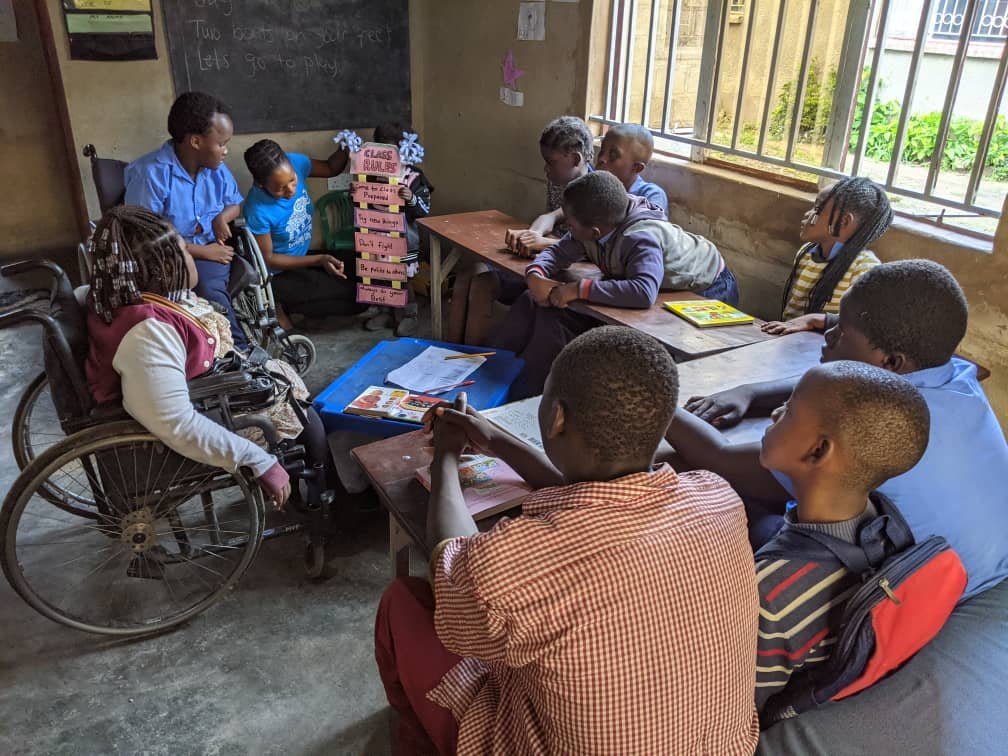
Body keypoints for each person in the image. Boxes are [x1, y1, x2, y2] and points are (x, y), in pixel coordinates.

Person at [374, 327, 760, 755]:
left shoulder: (523, 562)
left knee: (403, 602)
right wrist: (497, 440)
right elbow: (592, 491)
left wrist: (446, 455)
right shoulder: (718, 498)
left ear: (556, 417)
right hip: (719, 746)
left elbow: (453, 559)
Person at [671, 260, 1008, 600]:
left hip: (928, 606)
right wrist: (753, 391)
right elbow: (841, 384)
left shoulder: (872, 428)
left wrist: (652, 398)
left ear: (890, 363)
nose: (829, 334)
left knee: (738, 513)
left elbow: (720, 459)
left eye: (842, 331)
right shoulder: (957, 378)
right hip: (986, 568)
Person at [84, 205, 333, 509]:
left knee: (303, 407)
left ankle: (311, 484)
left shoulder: (122, 294)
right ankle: (319, 498)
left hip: (209, 386)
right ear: (164, 268)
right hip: (202, 415)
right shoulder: (148, 335)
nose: (193, 257)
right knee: (311, 422)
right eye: (185, 252)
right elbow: (176, 422)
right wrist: (257, 460)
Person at [751, 361, 930, 715]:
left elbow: (741, 698)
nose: (774, 414)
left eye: (788, 409)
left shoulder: (767, 593)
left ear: (818, 451)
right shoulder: (886, 520)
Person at [495, 170, 737, 399]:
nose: (567, 228)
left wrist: (577, 290)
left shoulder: (640, 237)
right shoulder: (593, 226)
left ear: (595, 231)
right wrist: (535, 274)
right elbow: (558, 251)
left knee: (668, 352)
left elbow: (643, 292)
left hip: (708, 286)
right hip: (657, 283)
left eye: (570, 224)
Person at [445, 116, 595, 346]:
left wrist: (540, 242)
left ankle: (470, 362)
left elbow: (589, 248)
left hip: (567, 270)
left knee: (483, 285)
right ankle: (447, 352)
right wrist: (531, 235)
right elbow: (551, 217)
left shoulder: (595, 193)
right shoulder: (561, 183)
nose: (545, 168)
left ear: (575, 159)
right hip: (544, 258)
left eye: (551, 162)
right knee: (467, 276)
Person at [125, 91, 249, 350]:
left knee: (212, 286)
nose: (226, 151)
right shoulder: (152, 175)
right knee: (206, 290)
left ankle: (230, 347)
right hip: (168, 256)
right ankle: (239, 349)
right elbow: (143, 236)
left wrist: (221, 217)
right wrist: (202, 251)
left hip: (211, 249)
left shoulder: (216, 170)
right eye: (221, 143)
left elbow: (234, 203)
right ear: (195, 141)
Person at [242, 138, 360, 330]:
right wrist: (318, 260)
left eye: (293, 180)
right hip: (279, 274)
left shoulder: (295, 162)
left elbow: (331, 168)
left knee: (361, 271)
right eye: (280, 188)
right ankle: (281, 305)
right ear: (261, 184)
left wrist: (346, 147)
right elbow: (269, 259)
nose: (291, 190)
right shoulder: (257, 209)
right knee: (355, 299)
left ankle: (300, 304)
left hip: (303, 257)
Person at [760, 176, 892, 336]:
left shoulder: (865, 267)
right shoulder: (806, 253)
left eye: (817, 208)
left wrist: (814, 320)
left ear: (844, 221)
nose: (807, 214)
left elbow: (866, 322)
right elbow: (792, 314)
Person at [361, 122, 434, 337]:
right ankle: (386, 311)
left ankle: (408, 315)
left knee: (401, 279)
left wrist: (411, 199)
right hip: (374, 238)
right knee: (379, 277)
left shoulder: (414, 178)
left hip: (403, 241)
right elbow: (359, 204)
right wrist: (357, 192)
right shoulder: (369, 175)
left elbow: (424, 210)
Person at [595, 123, 669, 213]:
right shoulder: (593, 185)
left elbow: (646, 224)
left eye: (613, 155)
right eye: (602, 151)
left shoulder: (652, 195)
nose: (602, 158)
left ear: (637, 168)